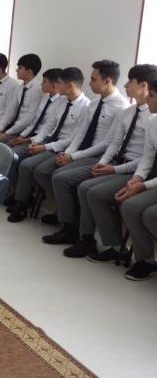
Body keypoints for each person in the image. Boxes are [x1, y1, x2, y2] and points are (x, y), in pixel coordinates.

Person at [58, 64, 157, 259]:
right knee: (84, 187)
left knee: (93, 192)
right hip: (122, 165)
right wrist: (103, 164)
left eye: (130, 81)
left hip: (133, 170)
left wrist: (117, 171)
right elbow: (114, 143)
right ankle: (86, 238)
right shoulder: (128, 112)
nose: (125, 85)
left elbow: (146, 158)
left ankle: (113, 246)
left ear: (144, 85)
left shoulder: (150, 117)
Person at [41, 59, 128, 243]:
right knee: (53, 171)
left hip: (102, 157)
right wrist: (69, 153)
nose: (89, 83)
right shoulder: (94, 103)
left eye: (93, 79)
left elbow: (108, 144)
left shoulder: (122, 107)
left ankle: (70, 228)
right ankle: (69, 217)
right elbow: (80, 132)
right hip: (84, 152)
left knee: (61, 177)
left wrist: (74, 156)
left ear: (107, 81)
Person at [8, 67, 90, 222]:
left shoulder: (86, 107)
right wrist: (36, 141)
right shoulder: (62, 101)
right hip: (49, 142)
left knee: (34, 168)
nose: (57, 86)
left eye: (60, 83)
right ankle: (23, 201)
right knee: (24, 163)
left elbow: (74, 139)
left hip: (64, 148)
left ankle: (67, 206)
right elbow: (49, 125)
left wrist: (44, 147)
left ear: (70, 85)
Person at [112, 80, 157, 280]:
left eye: (152, 96)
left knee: (150, 215)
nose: (148, 99)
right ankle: (146, 260)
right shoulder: (153, 121)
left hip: (153, 182)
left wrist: (143, 185)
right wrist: (136, 179)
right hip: (152, 179)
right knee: (130, 206)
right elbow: (148, 156)